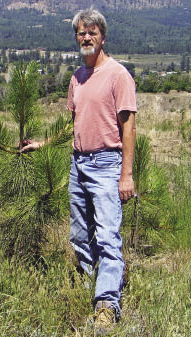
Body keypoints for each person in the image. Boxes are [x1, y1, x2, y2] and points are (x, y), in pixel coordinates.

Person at [20, 7, 137, 334]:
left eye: (92, 32)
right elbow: (74, 123)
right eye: (81, 33)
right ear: (77, 37)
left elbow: (129, 128)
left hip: (106, 164)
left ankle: (106, 305)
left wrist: (126, 175)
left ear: (102, 36)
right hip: (79, 163)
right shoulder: (77, 77)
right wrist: (43, 143)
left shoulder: (118, 75)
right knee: (80, 235)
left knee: (108, 236)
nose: (86, 37)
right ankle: (88, 284)